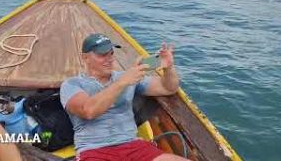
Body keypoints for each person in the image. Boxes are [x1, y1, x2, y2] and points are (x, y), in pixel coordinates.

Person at [60, 33, 189, 161]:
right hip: (94, 150)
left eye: (111, 53)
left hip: (133, 146)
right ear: (85, 57)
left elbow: (168, 88)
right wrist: (123, 82)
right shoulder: (72, 84)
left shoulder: (126, 77)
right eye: (102, 55)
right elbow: (88, 111)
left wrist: (169, 68)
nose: (109, 59)